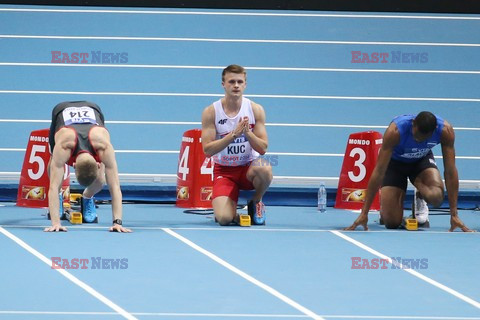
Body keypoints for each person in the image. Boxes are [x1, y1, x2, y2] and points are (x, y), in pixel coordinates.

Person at [345, 111, 473, 232]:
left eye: (423, 139)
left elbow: (450, 171)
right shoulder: (395, 131)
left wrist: (454, 215)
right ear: (413, 123)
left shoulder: (445, 131)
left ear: (433, 132)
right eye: (416, 136)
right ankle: (385, 203)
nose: (418, 140)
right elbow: (379, 171)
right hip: (394, 164)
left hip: (420, 161)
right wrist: (364, 213)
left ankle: (420, 196)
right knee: (392, 223)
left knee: (436, 197)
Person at [201, 65, 273, 226]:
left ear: (245, 85)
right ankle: (232, 212)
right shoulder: (211, 112)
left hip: (248, 167)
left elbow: (262, 148)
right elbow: (207, 150)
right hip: (224, 171)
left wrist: (248, 133)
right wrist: (233, 135)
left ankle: (256, 202)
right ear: (223, 84)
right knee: (224, 219)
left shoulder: (255, 110)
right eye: (231, 81)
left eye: (240, 82)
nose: (236, 85)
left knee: (265, 167)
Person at [45, 101, 131, 233]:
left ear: (98, 164)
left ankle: (87, 197)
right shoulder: (63, 146)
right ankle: (59, 196)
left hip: (93, 109)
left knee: (100, 181)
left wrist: (117, 222)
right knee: (54, 167)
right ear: (73, 165)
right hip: (60, 111)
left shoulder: (104, 148)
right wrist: (56, 222)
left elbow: (115, 187)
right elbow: (52, 187)